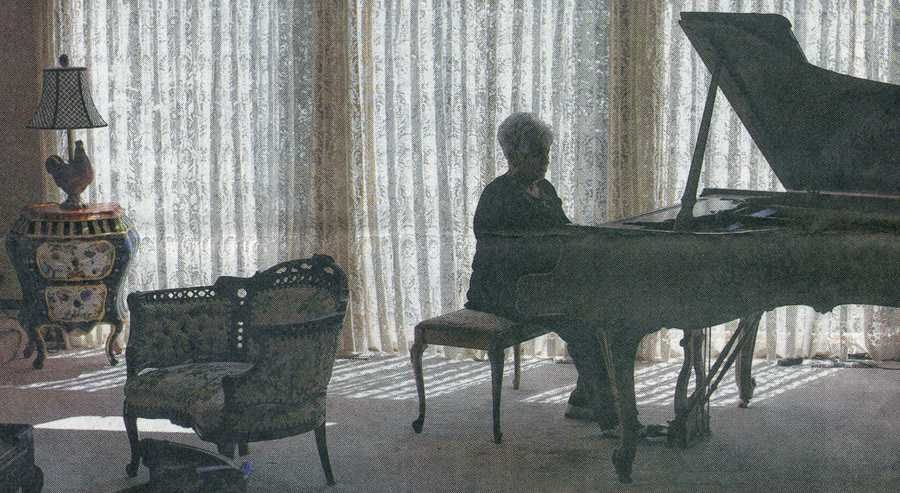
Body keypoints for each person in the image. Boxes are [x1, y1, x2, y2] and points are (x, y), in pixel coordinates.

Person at [465, 112, 618, 430]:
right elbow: (502, 256)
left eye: (546, 153)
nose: (545, 161)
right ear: (514, 156)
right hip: (501, 291)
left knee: (603, 310)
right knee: (579, 321)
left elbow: (563, 230)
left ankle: (585, 398)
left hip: (540, 285)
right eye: (537, 153)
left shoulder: (544, 189)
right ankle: (608, 414)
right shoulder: (497, 195)